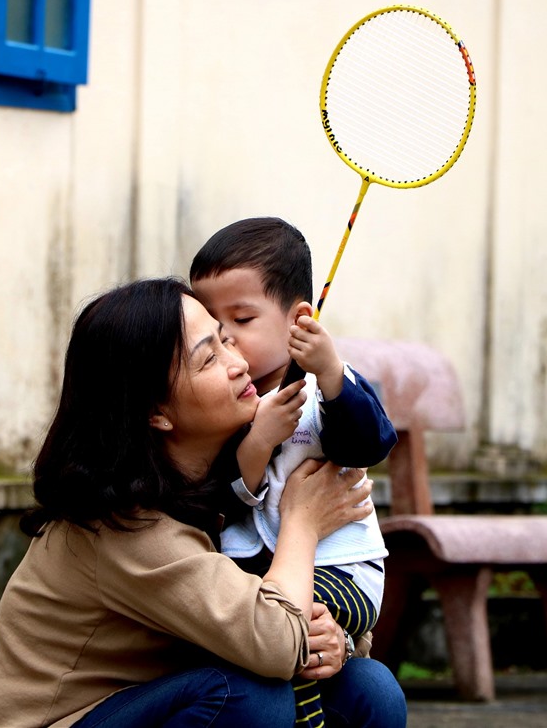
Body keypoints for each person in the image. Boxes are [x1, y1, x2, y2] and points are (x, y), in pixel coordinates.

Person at [0, 277, 406, 728]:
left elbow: (281, 623)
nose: (237, 364)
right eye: (208, 358)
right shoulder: (126, 526)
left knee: (369, 690)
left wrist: (340, 643)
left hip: (151, 701)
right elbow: (274, 642)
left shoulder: (226, 482)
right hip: (66, 719)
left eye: (225, 339)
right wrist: (302, 524)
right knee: (245, 697)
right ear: (155, 412)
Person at [190, 218, 397, 726]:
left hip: (341, 571)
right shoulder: (225, 405)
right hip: (258, 575)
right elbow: (226, 496)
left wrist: (329, 373)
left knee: (292, 630)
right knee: (275, 632)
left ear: (299, 319)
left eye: (241, 319)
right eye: (212, 326)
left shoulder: (328, 389)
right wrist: (258, 439)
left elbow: (368, 445)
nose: (227, 340)